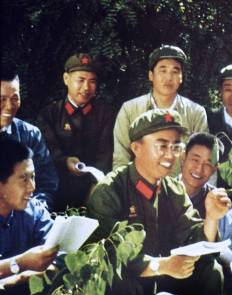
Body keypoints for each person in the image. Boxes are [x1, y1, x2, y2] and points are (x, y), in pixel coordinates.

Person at [87, 109, 227, 295]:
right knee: (121, 285)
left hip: (162, 279)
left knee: (211, 271)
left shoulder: (173, 189)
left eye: (176, 146)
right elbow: (111, 257)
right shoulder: (110, 191)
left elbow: (193, 238)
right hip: (128, 282)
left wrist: (212, 217)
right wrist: (163, 265)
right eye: (162, 146)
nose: (170, 155)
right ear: (136, 148)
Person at [112, 45, 208, 176]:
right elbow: (121, 159)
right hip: (139, 188)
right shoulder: (130, 109)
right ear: (151, 75)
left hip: (180, 189)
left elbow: (203, 159)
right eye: (163, 70)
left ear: (181, 77)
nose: (169, 77)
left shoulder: (196, 112)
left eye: (175, 71)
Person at [37, 53, 114, 211]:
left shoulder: (105, 114)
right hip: (57, 190)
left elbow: (105, 155)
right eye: (81, 80)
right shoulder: (49, 113)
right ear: (66, 79)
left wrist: (96, 188)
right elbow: (48, 151)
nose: (86, 87)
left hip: (94, 189)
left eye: (92, 81)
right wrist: (65, 161)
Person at [0, 138, 57, 287]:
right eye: (24, 179)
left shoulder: (34, 211)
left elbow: (58, 253)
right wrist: (20, 265)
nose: (32, 187)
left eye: (32, 177)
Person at [1, 71, 58, 209]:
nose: (9, 106)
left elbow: (47, 185)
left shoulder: (30, 135)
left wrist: (32, 212)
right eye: (1, 99)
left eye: (15, 98)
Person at [180, 132, 221, 219]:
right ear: (183, 157)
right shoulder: (162, 188)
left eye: (207, 164)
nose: (199, 169)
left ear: (214, 169)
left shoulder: (216, 201)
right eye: (195, 160)